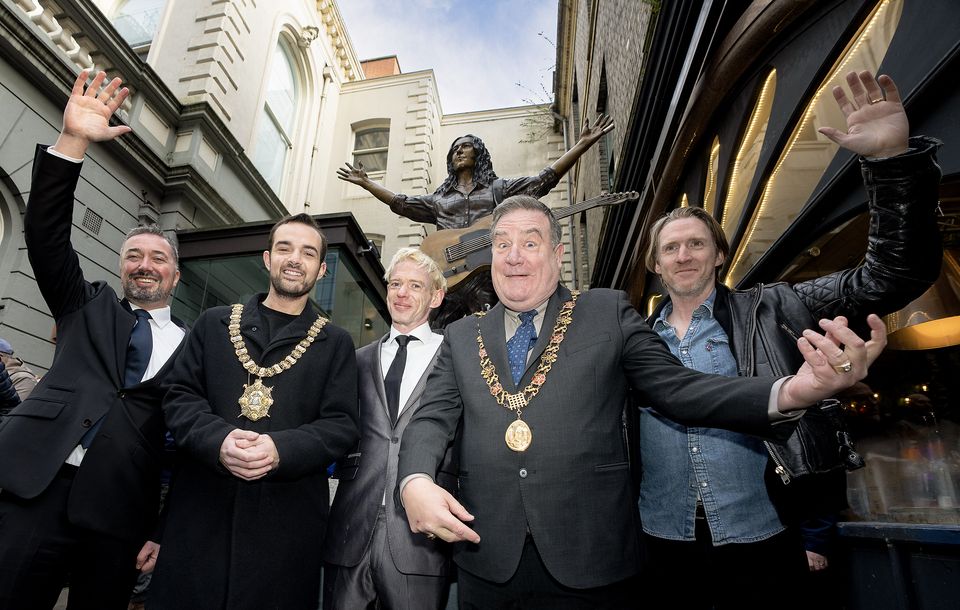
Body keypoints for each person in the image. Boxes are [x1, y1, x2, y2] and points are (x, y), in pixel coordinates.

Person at [397, 195, 886, 608]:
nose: (514, 256)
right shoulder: (462, 335)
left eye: (530, 242)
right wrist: (414, 480)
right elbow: (431, 419)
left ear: (557, 253)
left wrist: (792, 392)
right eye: (502, 244)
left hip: (592, 562)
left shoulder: (605, 311)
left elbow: (678, 388)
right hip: (486, 562)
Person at [637, 70, 942, 609]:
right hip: (660, 547)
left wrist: (893, 165)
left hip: (766, 539)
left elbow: (892, 275)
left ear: (720, 253)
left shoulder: (778, 307)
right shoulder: (633, 339)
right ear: (655, 264)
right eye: (671, 248)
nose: (683, 255)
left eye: (697, 243)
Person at [0, 70, 186, 610]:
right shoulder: (86, 305)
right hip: (34, 486)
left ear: (176, 275)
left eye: (158, 258)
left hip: (120, 515)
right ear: (121, 266)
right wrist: (73, 142)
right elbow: (46, 233)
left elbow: (191, 449)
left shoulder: (199, 345)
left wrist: (161, 528)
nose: (144, 265)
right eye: (134, 255)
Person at [146, 213, 361, 610]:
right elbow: (179, 396)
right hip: (199, 517)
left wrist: (282, 449)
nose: (295, 259)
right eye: (284, 248)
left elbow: (342, 425)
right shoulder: (214, 324)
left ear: (322, 269)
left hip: (286, 530)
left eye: (308, 252)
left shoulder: (336, 343)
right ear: (267, 259)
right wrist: (220, 439)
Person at [338, 116, 614, 327]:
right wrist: (367, 183)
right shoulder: (439, 200)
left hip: (485, 277)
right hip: (446, 279)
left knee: (490, 331)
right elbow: (401, 202)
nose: (458, 151)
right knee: (436, 338)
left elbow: (542, 181)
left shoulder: (498, 189)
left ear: (478, 154)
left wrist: (581, 145)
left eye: (465, 147)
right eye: (454, 149)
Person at [323, 247, 456, 610]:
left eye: (415, 285)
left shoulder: (456, 356)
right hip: (351, 525)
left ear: (436, 296)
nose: (401, 293)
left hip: (422, 535)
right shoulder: (356, 358)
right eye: (395, 284)